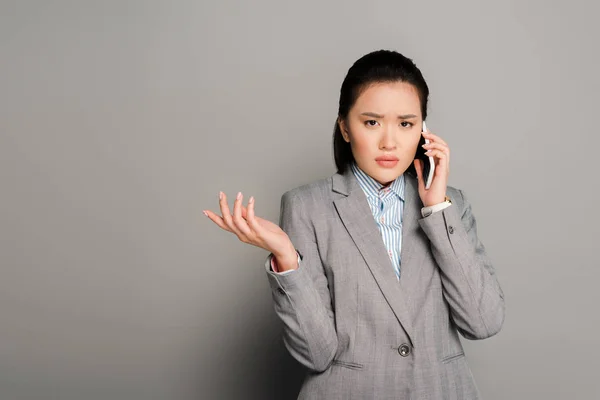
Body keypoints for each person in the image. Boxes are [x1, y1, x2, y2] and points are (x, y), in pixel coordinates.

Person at [203, 49, 505, 399]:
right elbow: (317, 353)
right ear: (345, 127)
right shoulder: (306, 206)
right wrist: (287, 259)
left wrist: (437, 209)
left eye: (405, 124)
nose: (389, 142)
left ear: (424, 130)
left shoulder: (452, 205)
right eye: (371, 122)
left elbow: (483, 322)